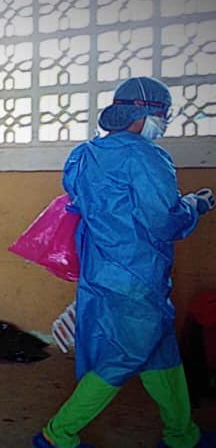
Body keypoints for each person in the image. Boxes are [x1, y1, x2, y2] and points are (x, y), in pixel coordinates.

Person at [34, 77, 216, 448]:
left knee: (161, 353)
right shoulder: (147, 157)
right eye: (163, 115)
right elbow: (163, 221)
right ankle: (58, 434)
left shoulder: (84, 154)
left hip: (102, 270)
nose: (164, 123)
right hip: (136, 276)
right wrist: (196, 204)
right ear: (146, 113)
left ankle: (182, 435)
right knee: (123, 357)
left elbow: (84, 204)